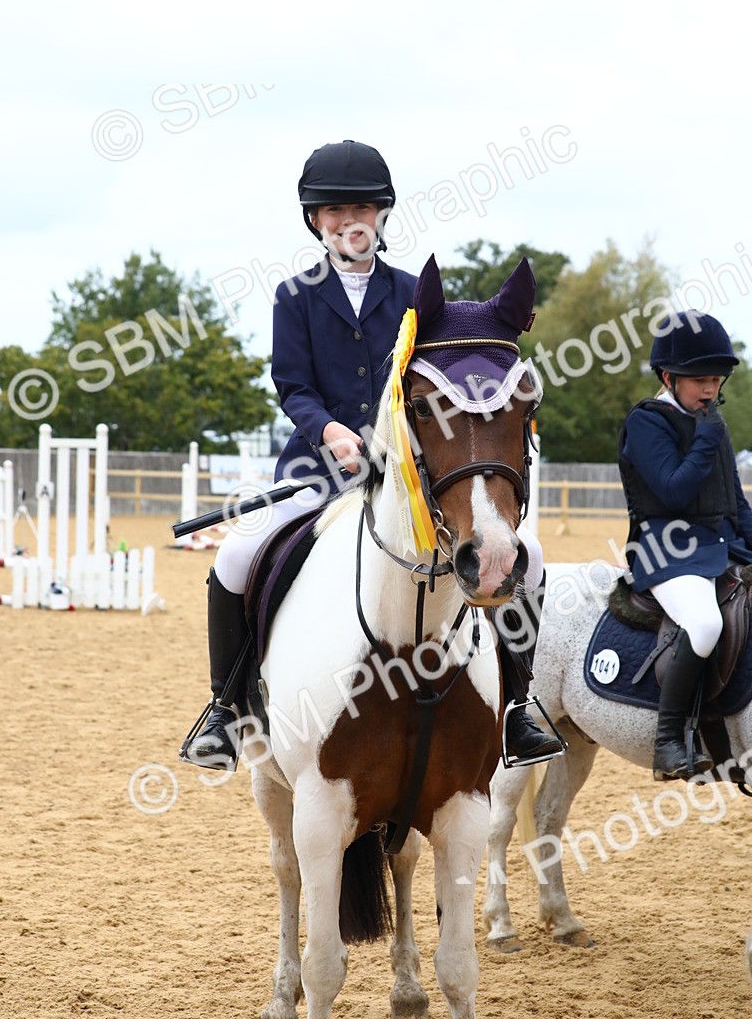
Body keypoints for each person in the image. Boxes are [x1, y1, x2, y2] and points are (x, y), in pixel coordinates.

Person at [180, 139, 558, 770]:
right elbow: (293, 385)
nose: (348, 219)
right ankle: (227, 705)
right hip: (316, 471)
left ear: (382, 214)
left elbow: (443, 379)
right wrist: (329, 430)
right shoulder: (294, 296)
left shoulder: (417, 293)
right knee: (238, 552)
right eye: (334, 211)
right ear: (314, 221)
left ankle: (518, 707)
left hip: (407, 481)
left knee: (531, 558)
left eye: (361, 207)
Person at [618, 310, 752, 781]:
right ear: (669, 377)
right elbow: (673, 491)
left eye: (716, 379)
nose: (710, 390)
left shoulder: (711, 423)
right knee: (705, 622)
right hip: (664, 553)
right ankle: (669, 742)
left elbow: (735, 502)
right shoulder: (647, 422)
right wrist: (706, 441)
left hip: (720, 546)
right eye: (700, 381)